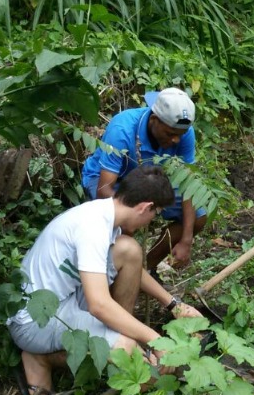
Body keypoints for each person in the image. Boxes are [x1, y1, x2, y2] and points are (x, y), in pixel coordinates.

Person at [7, 165, 204, 395]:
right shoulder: (93, 228)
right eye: (155, 214)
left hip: (66, 297)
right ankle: (41, 357)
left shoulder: (104, 214)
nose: (152, 220)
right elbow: (98, 305)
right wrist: (156, 340)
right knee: (143, 369)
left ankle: (116, 340)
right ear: (145, 207)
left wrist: (174, 304)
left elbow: (134, 271)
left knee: (129, 250)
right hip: (35, 322)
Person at [80, 88, 207, 276]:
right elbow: (104, 189)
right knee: (125, 221)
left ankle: (144, 270)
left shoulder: (183, 133)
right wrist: (137, 211)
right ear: (154, 120)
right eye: (170, 133)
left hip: (151, 181)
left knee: (197, 217)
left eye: (181, 134)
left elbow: (188, 185)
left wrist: (186, 239)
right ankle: (116, 275)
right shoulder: (122, 129)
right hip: (111, 181)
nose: (176, 139)